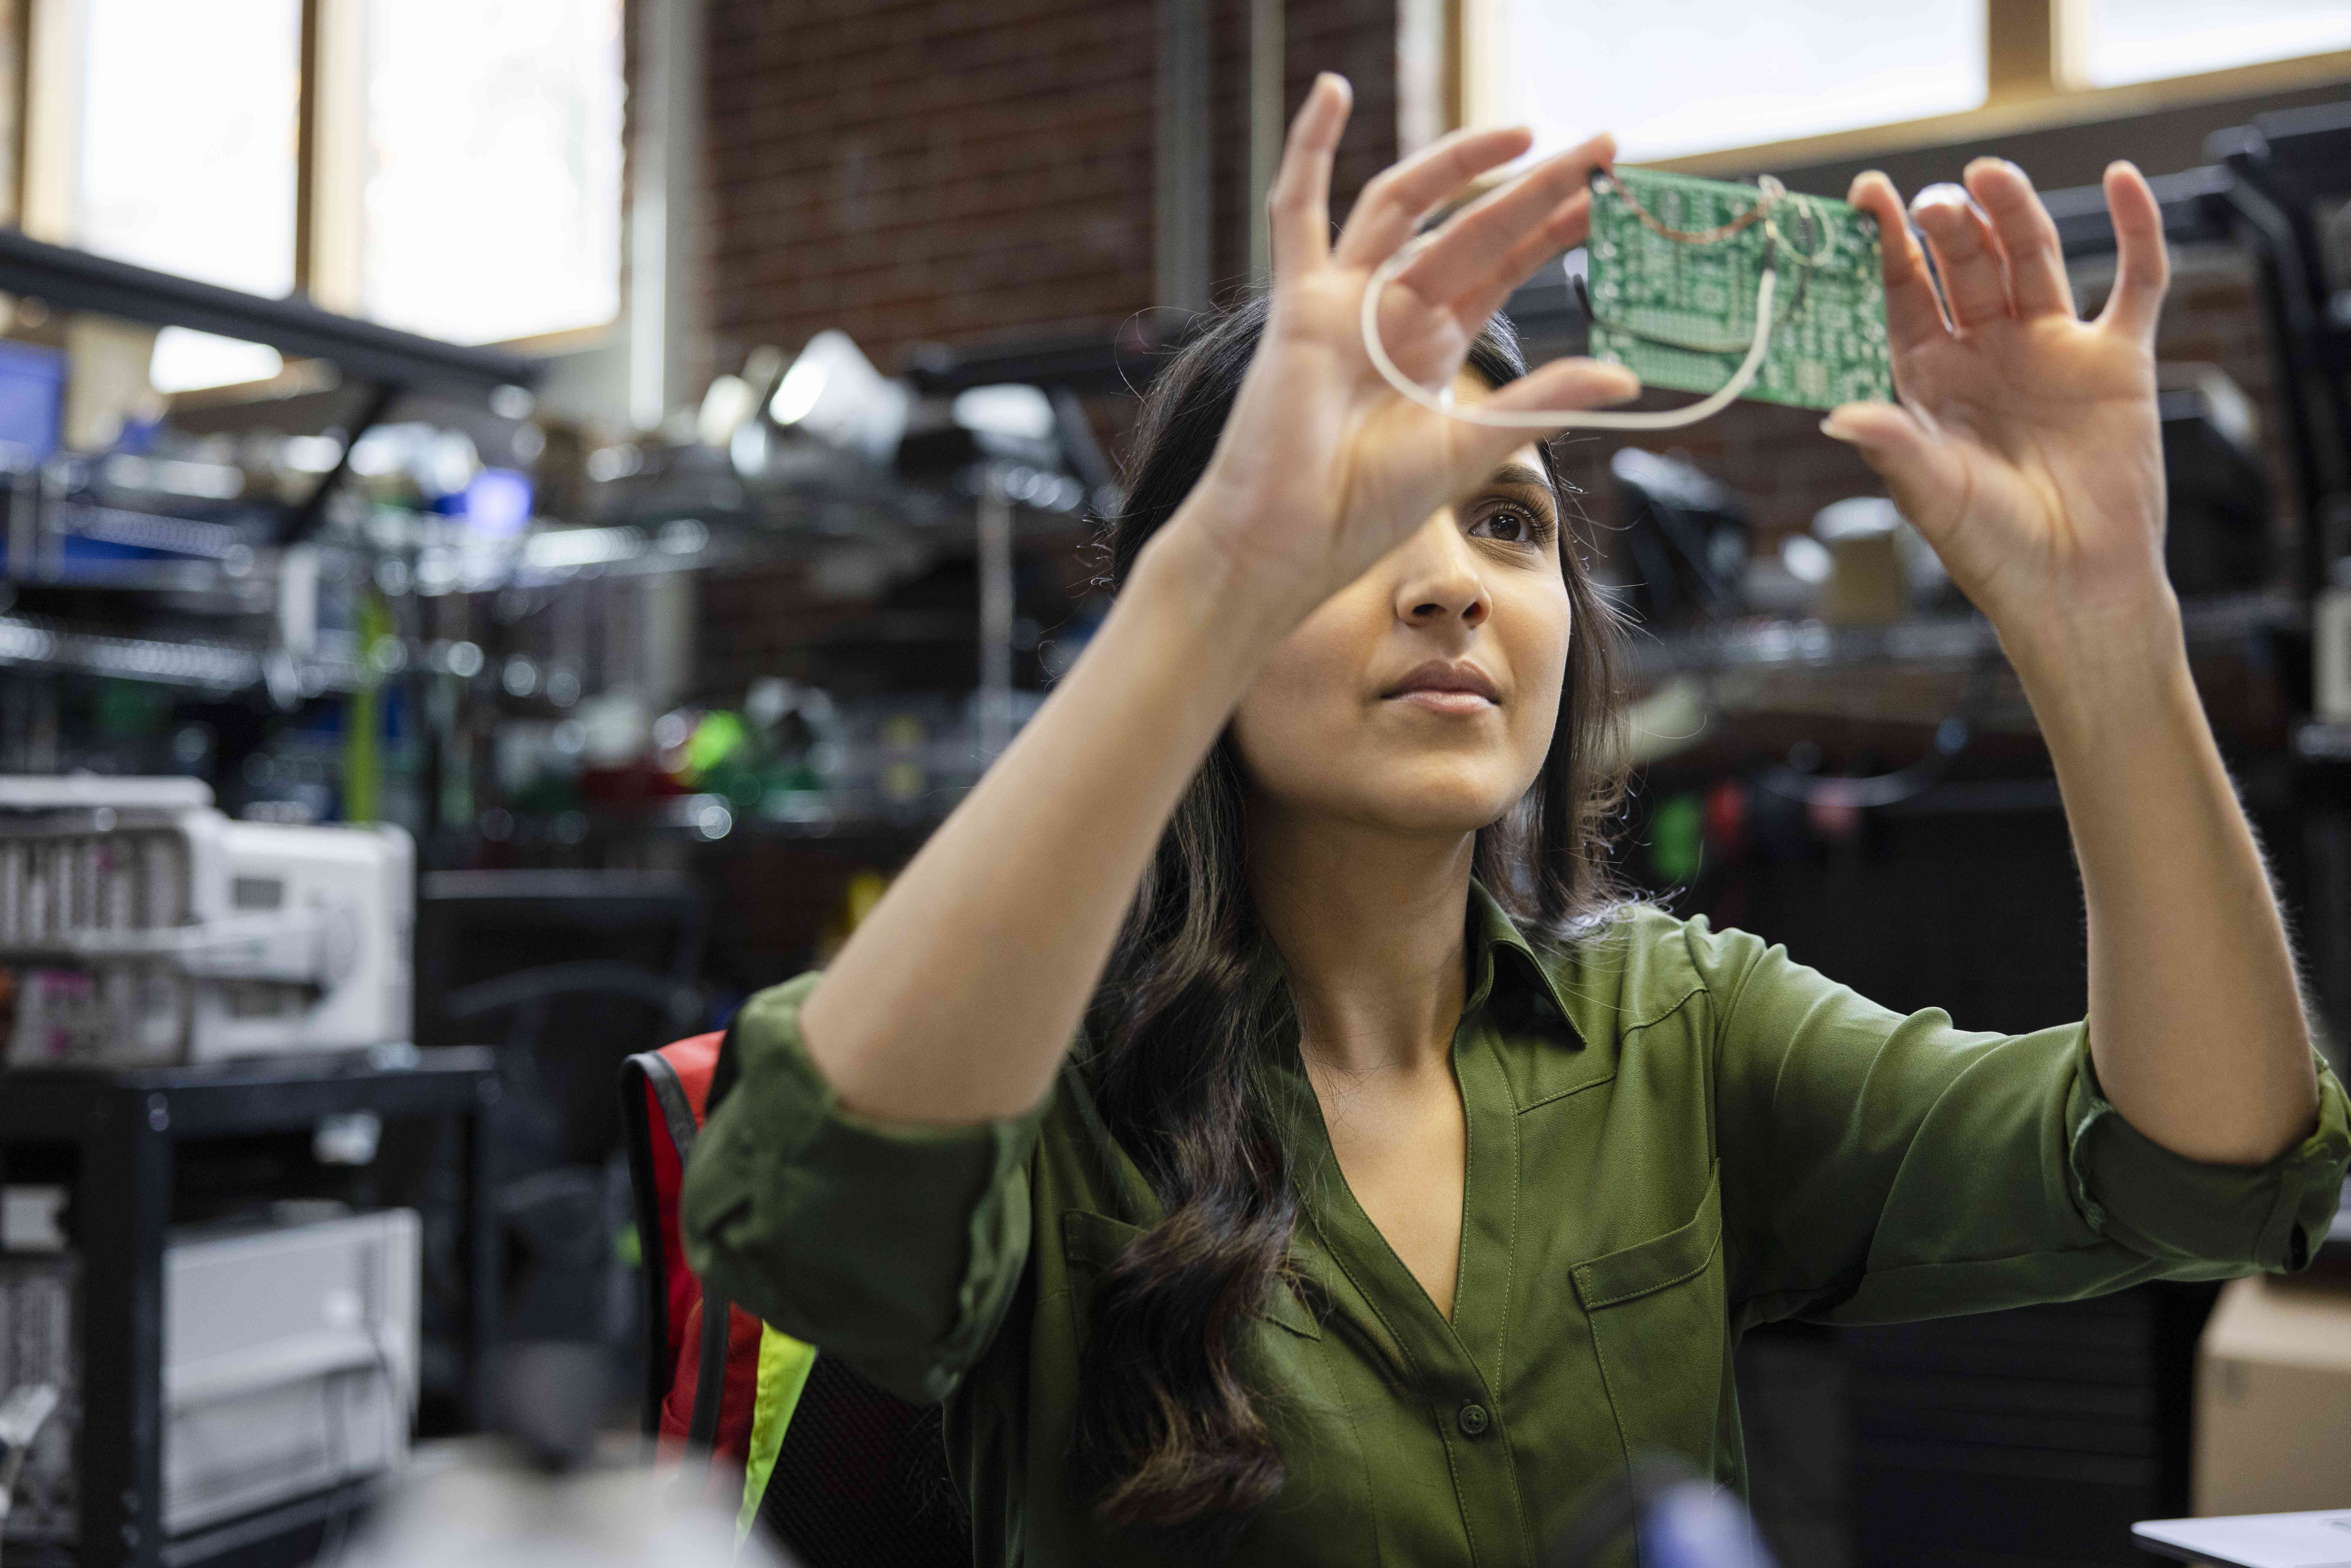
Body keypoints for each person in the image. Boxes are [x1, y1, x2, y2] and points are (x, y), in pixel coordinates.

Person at [681, 72, 2351, 1567]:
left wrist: (2106, 632)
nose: (1450, 588)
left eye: (1506, 522)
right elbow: (816, 1219)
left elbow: (2203, 1164)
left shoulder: (1678, 1033)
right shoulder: (1031, 1071)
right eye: (1361, 519)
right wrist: (1199, 597)